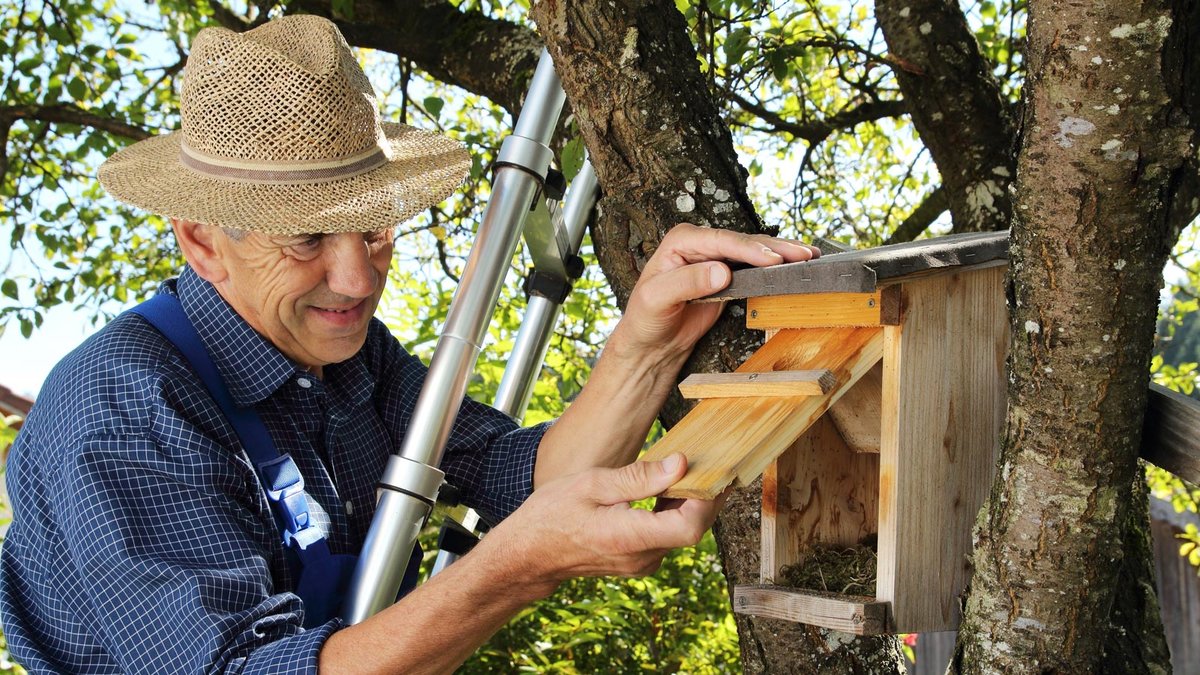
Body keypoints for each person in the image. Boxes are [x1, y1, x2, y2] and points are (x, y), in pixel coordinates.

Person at [0, 15, 818, 674]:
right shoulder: (125, 409)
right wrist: (513, 569)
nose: (357, 280)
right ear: (202, 241)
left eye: (375, 229)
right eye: (308, 238)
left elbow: (526, 476)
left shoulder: (350, 358)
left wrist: (647, 341)